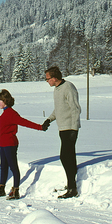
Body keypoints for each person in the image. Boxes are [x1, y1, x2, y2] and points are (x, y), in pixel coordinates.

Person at [0, 89, 47, 200]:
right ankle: (1, 188)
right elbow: (2, 132)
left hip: (10, 144)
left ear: (5, 101)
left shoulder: (12, 114)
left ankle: (15, 190)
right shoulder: (5, 113)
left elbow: (24, 122)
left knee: (13, 167)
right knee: (3, 167)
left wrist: (40, 127)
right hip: (3, 144)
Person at [43, 66, 82, 199]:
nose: (47, 81)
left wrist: (74, 128)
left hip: (70, 128)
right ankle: (70, 184)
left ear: (54, 78)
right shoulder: (57, 89)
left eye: (47, 79)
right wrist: (49, 119)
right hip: (62, 128)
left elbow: (75, 108)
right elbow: (59, 109)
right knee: (68, 157)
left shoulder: (68, 87)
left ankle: (72, 188)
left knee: (66, 157)